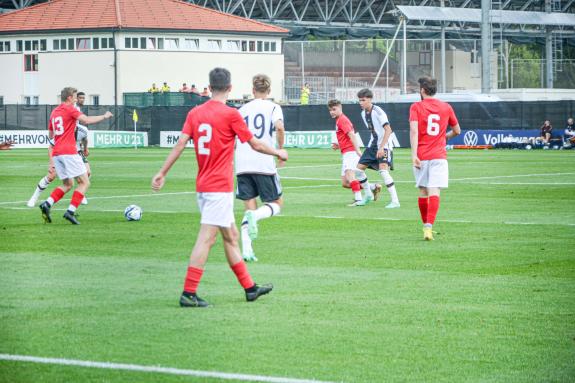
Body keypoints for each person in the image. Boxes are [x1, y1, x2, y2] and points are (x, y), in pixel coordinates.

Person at [151, 68, 288, 308]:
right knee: (206, 239)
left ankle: (249, 288)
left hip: (204, 185)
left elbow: (181, 144)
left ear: (210, 86)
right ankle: (189, 293)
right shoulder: (230, 114)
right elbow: (255, 144)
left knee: (231, 236)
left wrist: (162, 172)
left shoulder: (195, 113)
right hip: (218, 187)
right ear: (230, 88)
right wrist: (278, 151)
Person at [38, 87, 112, 225]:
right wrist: (104, 116)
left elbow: (50, 133)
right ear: (69, 98)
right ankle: (70, 212)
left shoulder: (54, 112)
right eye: (75, 96)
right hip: (69, 152)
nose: (76, 99)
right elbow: (86, 120)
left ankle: (47, 204)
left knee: (68, 184)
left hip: (57, 153)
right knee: (84, 182)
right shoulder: (71, 109)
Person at [235, 74, 285, 262]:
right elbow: (279, 127)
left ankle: (247, 251)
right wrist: (280, 150)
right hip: (263, 161)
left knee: (248, 206)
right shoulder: (273, 107)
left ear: (252, 90)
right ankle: (256, 216)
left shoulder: (241, 110)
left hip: (242, 162)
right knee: (276, 204)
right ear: (269, 91)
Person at [409, 77, 461, 241]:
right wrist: (443, 138)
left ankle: (426, 227)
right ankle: (429, 227)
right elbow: (457, 130)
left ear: (422, 90)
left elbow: (414, 131)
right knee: (434, 191)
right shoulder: (446, 107)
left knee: (423, 191)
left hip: (422, 156)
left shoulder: (416, 106)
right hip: (439, 156)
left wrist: (414, 154)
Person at [354, 88, 399, 208]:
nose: (361, 103)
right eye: (359, 100)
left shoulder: (378, 111)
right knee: (358, 171)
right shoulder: (363, 113)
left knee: (383, 171)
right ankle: (368, 195)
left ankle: (395, 201)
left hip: (384, 145)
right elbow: (374, 131)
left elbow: (388, 130)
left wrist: (382, 147)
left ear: (370, 99)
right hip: (372, 145)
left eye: (363, 100)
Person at [328, 99, 375, 205]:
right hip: (346, 152)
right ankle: (372, 187)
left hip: (351, 152)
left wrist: (357, 150)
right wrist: (339, 145)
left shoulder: (342, 120)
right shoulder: (338, 120)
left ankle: (358, 200)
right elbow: (346, 137)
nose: (332, 112)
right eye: (330, 110)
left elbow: (352, 134)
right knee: (345, 183)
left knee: (350, 175)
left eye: (334, 109)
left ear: (340, 108)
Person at [75, 92, 90, 205]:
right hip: (69, 151)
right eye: (80, 97)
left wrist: (86, 148)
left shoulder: (82, 129)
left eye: (84, 98)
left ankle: (81, 191)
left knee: (87, 172)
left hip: (78, 149)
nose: (82, 99)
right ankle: (81, 194)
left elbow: (84, 138)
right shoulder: (74, 108)